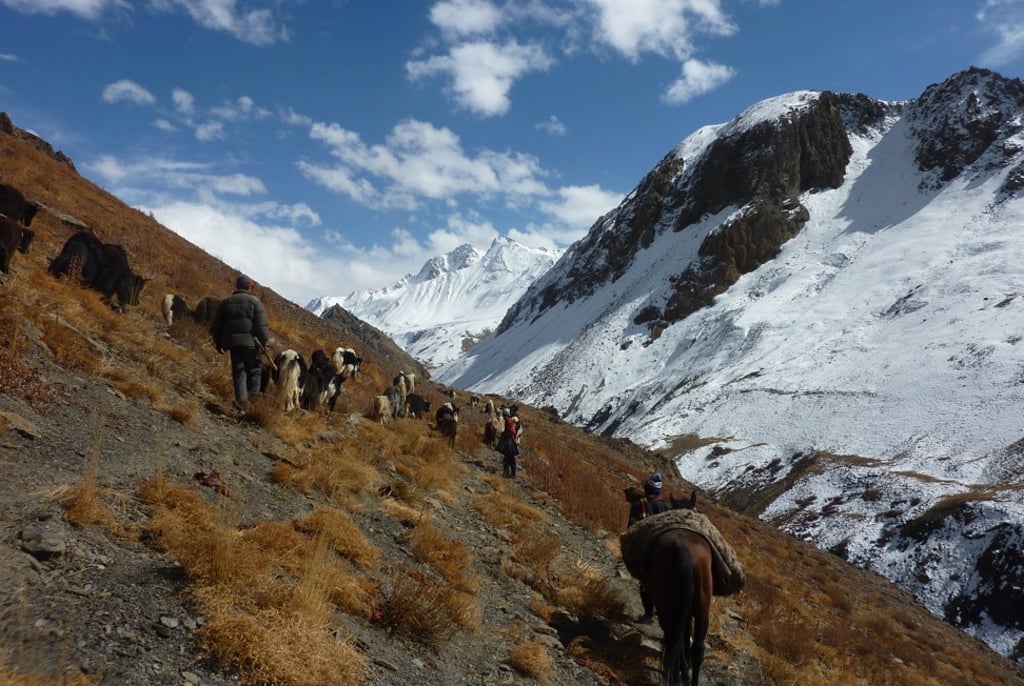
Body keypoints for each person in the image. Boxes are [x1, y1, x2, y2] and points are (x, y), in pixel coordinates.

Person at [211, 274, 271, 412]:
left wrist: (218, 344)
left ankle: (242, 403)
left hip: (233, 345)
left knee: (239, 372)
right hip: (252, 344)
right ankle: (255, 403)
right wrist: (265, 342)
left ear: (237, 286)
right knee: (255, 371)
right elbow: (261, 325)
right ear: (249, 286)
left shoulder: (226, 302)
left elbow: (218, 325)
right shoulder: (255, 302)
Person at [627, 473, 669, 622]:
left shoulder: (640, 507)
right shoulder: (666, 507)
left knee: (646, 582)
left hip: (647, 550)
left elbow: (631, 530)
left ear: (647, 488)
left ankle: (648, 613)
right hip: (667, 551)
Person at [496, 406, 520, 478]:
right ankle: (509, 473)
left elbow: (512, 431)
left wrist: (505, 433)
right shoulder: (509, 420)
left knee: (509, 458)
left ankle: (508, 474)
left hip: (508, 441)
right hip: (509, 441)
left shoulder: (508, 421)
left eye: (504, 415)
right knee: (509, 458)